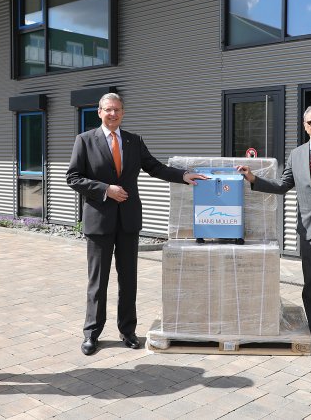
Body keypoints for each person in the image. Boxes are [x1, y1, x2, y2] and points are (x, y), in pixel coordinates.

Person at [66, 93, 206, 355]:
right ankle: (92, 333)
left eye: (117, 110)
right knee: (98, 281)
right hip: (99, 223)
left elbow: (154, 167)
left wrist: (184, 175)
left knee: (128, 279)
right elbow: (73, 177)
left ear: (123, 112)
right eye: (108, 110)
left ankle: (127, 330)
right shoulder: (84, 141)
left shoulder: (133, 140)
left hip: (128, 221)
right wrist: (106, 189)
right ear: (99, 112)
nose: (113, 114)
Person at [237, 105, 311, 355]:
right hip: (308, 227)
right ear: (304, 126)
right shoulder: (296, 155)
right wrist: (253, 179)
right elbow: (283, 185)